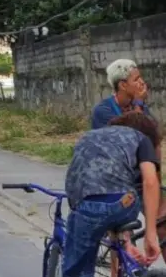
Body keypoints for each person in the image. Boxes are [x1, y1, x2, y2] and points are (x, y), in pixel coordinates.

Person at [63, 111, 162, 277]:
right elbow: (151, 182)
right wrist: (151, 233)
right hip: (124, 202)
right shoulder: (141, 138)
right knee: (121, 202)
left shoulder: (87, 137)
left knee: (76, 270)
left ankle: (124, 246)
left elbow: (80, 181)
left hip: (87, 203)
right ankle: (126, 247)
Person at [91, 59, 150, 130]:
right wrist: (138, 103)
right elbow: (131, 136)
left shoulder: (140, 106)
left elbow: (151, 134)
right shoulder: (103, 111)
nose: (142, 82)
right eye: (136, 79)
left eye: (140, 78)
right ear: (122, 85)